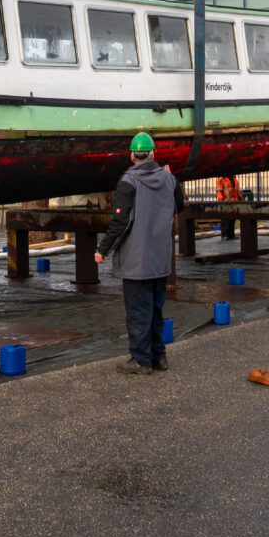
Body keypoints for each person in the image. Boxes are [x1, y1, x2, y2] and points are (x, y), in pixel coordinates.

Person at [94, 132, 184, 375]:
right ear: (153, 153)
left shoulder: (128, 181)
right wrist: (170, 176)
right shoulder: (169, 179)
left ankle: (140, 360)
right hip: (161, 260)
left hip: (136, 262)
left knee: (137, 312)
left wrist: (102, 249)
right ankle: (159, 358)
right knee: (156, 310)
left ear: (132, 155)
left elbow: (121, 222)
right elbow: (180, 206)